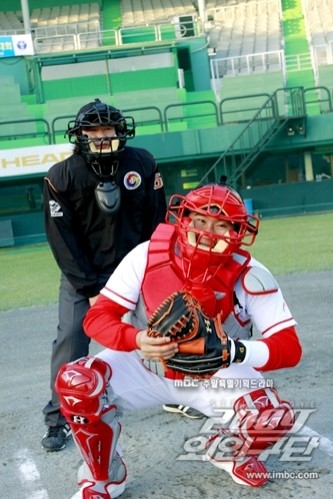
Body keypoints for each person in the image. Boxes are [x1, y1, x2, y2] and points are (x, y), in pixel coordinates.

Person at [55, 183, 302, 497]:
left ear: (238, 231)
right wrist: (136, 338)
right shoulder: (146, 255)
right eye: (200, 221)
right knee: (79, 382)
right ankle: (105, 475)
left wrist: (232, 351)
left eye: (221, 225)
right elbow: (97, 318)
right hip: (148, 363)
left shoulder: (251, 273)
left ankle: (230, 450)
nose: (207, 233)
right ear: (183, 218)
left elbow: (290, 347)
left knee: (273, 417)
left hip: (216, 373)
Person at [41, 98, 168, 452]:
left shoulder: (142, 163)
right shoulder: (61, 177)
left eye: (107, 129)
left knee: (168, 322)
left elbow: (156, 224)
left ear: (120, 131)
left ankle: (182, 388)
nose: (101, 136)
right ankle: (59, 417)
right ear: (80, 135)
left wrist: (151, 272)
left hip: (136, 268)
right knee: (71, 337)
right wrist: (93, 287)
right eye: (93, 130)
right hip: (84, 273)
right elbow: (63, 241)